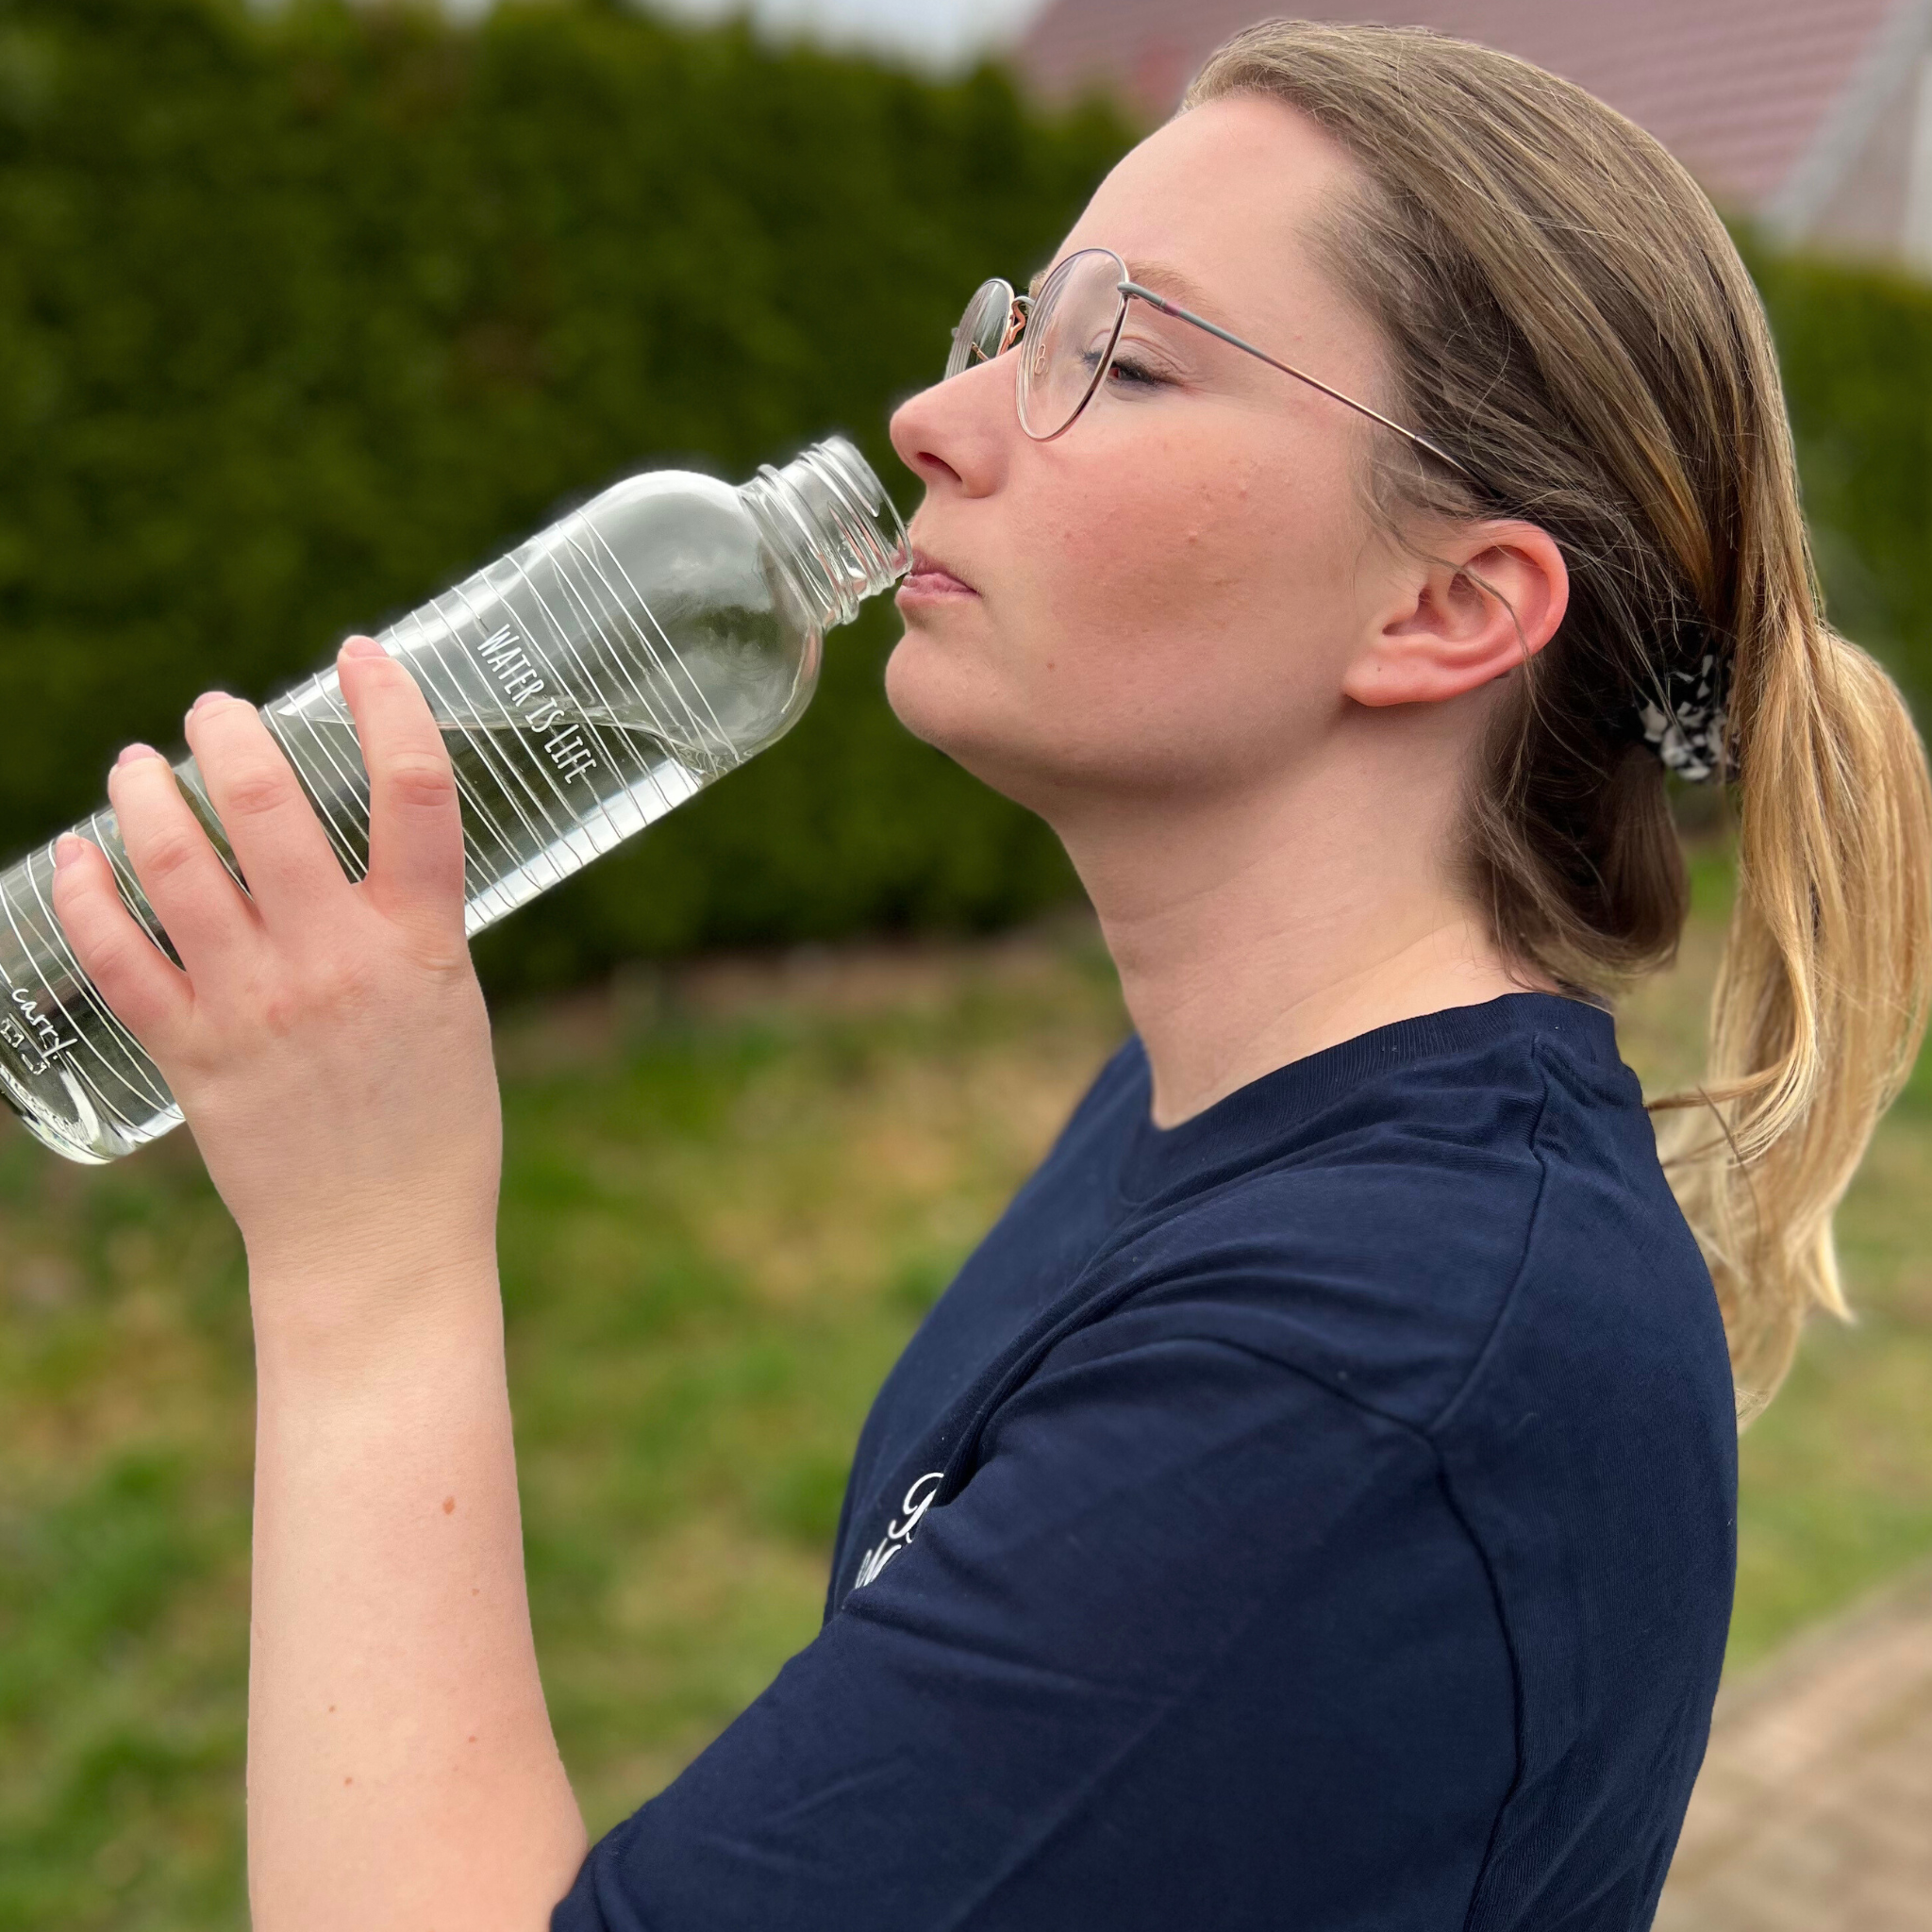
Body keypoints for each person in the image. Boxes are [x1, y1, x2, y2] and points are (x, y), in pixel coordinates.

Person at [49, 20, 1932, 1932]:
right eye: (1016, 328)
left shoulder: (1369, 1372)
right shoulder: (1213, 1111)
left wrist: (367, 1257)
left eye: (1117, 358)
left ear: (1443, 608)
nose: (934, 424)